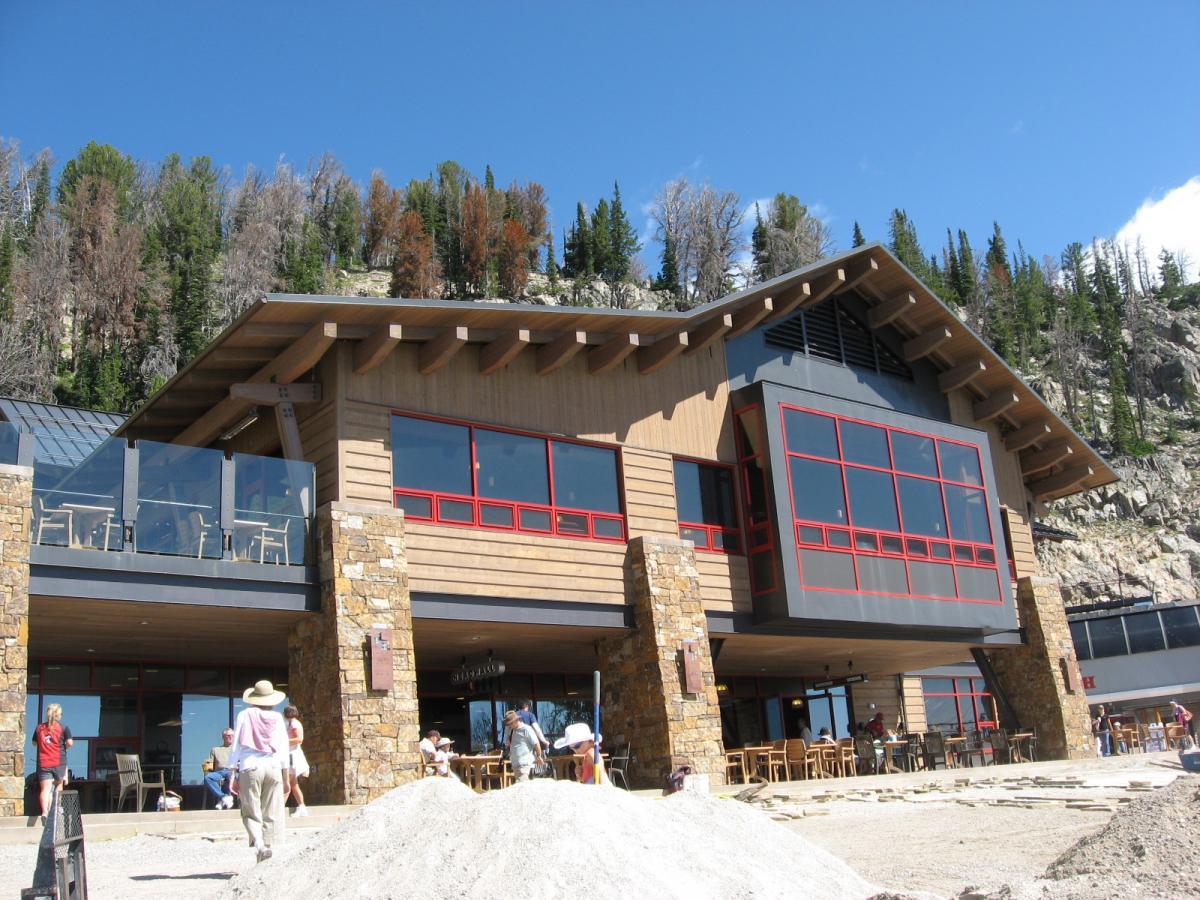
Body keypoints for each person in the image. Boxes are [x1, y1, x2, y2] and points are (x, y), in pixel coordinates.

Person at [229, 680, 290, 863]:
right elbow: (283, 748)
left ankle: (259, 846)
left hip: (251, 766)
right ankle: (267, 852)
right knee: (270, 811)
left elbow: (236, 745)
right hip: (273, 767)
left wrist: (232, 772)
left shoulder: (244, 715)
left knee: (250, 810)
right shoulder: (278, 718)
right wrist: (286, 775)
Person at [33, 703, 72, 822]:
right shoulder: (63, 727)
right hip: (58, 761)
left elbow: (34, 743)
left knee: (46, 789)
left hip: (44, 762)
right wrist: (63, 746)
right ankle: (54, 811)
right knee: (58, 786)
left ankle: (45, 811)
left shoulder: (39, 728)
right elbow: (70, 743)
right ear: (58, 714)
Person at [503, 710, 544, 782]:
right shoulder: (513, 730)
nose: (510, 726)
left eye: (511, 723)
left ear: (516, 720)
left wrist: (539, 756)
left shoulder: (526, 729)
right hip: (516, 764)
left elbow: (536, 743)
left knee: (523, 786)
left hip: (524, 764)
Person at [283, 706, 309, 817]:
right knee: (293, 783)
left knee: (287, 782)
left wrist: (284, 741)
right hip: (291, 755)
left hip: (292, 756)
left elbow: (299, 739)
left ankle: (279, 809)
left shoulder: (294, 724)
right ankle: (302, 807)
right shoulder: (291, 723)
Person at [203, 728, 236, 809]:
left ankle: (222, 800)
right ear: (223, 737)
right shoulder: (215, 749)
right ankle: (224, 797)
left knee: (230, 776)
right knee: (207, 778)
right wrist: (206, 769)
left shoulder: (237, 749)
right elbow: (208, 764)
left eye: (232, 735)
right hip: (219, 772)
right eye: (228, 735)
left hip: (232, 771)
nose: (230, 737)